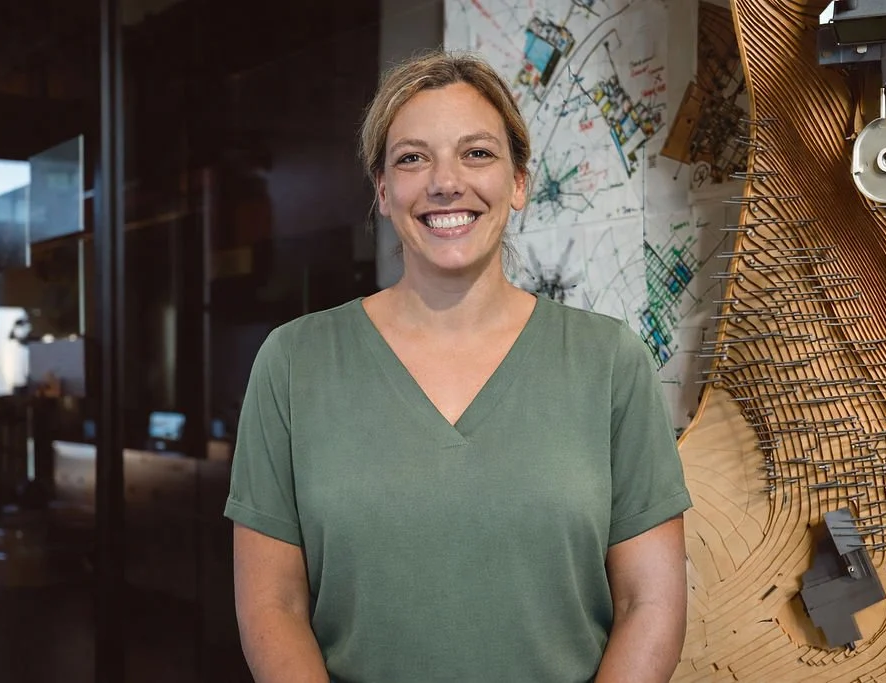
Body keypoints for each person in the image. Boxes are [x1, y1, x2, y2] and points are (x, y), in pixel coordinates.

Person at [224, 50, 692, 683]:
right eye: (413, 158)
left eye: (477, 153)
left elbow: (651, 602)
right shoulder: (294, 363)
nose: (445, 181)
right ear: (383, 192)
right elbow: (271, 603)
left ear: (520, 182)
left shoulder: (609, 362)